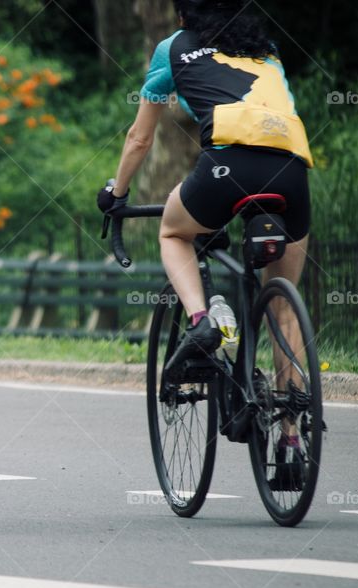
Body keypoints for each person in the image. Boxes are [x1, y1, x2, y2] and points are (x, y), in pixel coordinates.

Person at [98, 0, 312, 483]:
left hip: (225, 167)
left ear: (181, 16)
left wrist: (117, 192)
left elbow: (139, 138)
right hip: (291, 171)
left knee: (173, 231)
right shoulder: (268, 49)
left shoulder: (172, 49)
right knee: (283, 308)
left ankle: (200, 322)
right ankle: (293, 440)